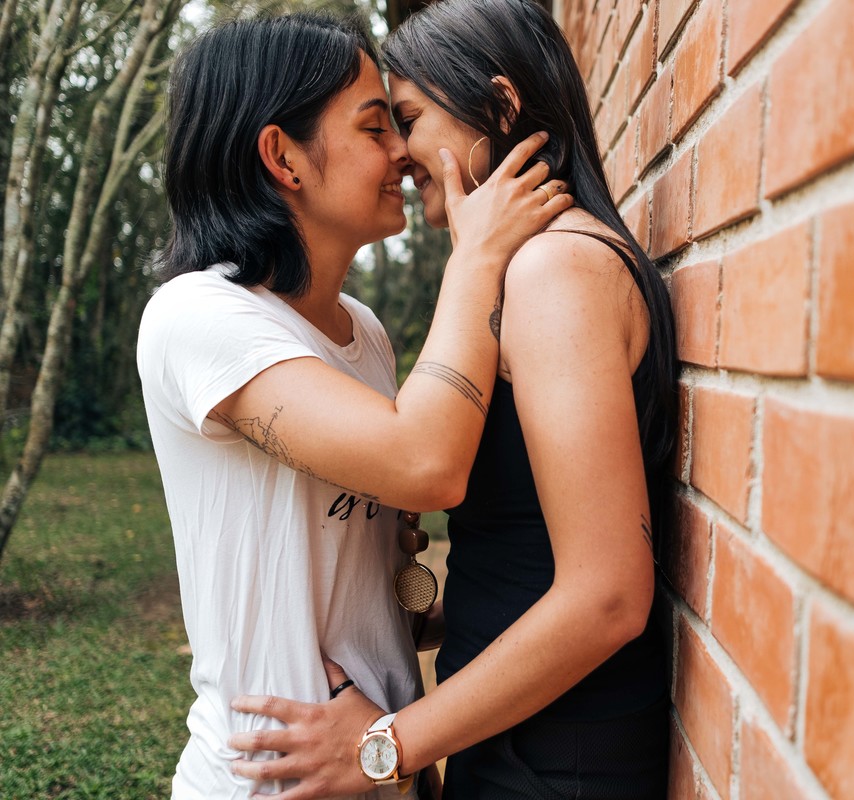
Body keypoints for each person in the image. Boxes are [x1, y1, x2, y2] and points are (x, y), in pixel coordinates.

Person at [227, 1, 678, 797]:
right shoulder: (540, 267)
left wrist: (381, 747)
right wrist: (420, 618)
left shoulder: (555, 272)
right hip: (525, 747)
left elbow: (609, 596)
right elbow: (534, 557)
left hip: (556, 767)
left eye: (406, 120)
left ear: (499, 108)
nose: (398, 154)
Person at [137, 11, 571, 799]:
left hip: (376, 764)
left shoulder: (362, 333)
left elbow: (366, 576)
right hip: (272, 780)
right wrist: (478, 254)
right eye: (376, 127)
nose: (404, 150)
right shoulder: (197, 316)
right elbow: (427, 464)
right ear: (283, 158)